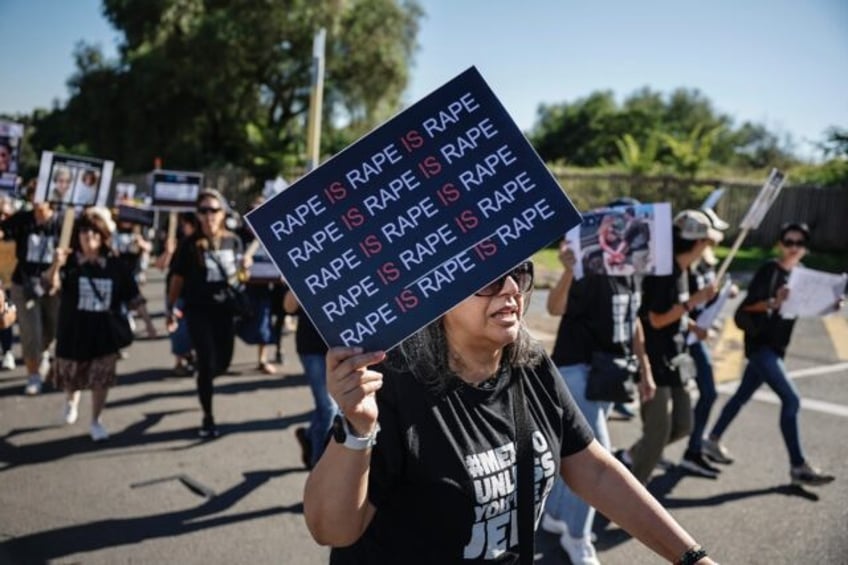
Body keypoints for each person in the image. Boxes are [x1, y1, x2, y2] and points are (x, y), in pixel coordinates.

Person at [303, 261, 717, 564]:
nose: (510, 288)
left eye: (518, 271)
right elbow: (331, 530)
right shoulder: (390, 388)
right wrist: (357, 429)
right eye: (485, 279)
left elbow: (594, 469)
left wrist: (691, 557)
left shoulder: (530, 364)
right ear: (436, 296)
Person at [541, 241, 656, 563]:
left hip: (611, 373)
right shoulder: (584, 266)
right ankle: (577, 539)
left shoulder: (632, 271)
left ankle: (555, 515)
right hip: (576, 368)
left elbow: (633, 320)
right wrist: (566, 270)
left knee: (575, 451)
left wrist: (645, 370)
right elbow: (554, 306)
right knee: (598, 460)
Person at [705, 222, 837, 486]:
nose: (793, 248)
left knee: (742, 395)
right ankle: (798, 466)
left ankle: (712, 440)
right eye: (788, 242)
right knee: (792, 400)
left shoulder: (802, 276)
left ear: (805, 249)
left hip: (777, 347)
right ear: (779, 244)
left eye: (799, 243)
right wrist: (773, 302)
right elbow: (744, 309)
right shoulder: (769, 271)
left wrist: (830, 303)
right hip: (760, 347)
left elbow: (810, 307)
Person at [617, 210, 719, 484]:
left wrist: (691, 324)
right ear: (698, 244)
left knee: (684, 425)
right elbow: (656, 319)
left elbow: (673, 313)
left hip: (676, 357)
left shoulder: (683, 271)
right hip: (654, 361)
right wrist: (693, 303)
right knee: (657, 433)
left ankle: (632, 456)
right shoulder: (664, 273)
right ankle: (634, 498)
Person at [43, 209, 147, 441]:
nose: (87, 235)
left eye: (93, 231)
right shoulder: (68, 261)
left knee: (101, 379)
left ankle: (96, 420)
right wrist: (55, 266)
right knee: (73, 376)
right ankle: (71, 401)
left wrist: (148, 323)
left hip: (104, 334)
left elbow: (133, 295)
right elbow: (49, 288)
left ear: (102, 235)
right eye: (83, 231)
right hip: (73, 331)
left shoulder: (115, 265)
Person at [166, 189, 245, 438]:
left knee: (222, 363)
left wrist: (246, 271)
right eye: (203, 211)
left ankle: (204, 373)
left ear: (223, 213)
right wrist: (171, 309)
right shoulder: (189, 244)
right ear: (198, 215)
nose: (209, 215)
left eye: (213, 210)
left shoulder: (234, 241)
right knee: (206, 361)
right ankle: (208, 417)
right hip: (198, 311)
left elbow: (239, 277)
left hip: (225, 311)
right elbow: (177, 279)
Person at [678, 208, 734, 478]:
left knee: (705, 394)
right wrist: (691, 324)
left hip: (695, 336)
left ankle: (694, 448)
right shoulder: (683, 265)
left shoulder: (704, 263)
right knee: (687, 402)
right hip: (685, 339)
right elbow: (675, 305)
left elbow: (701, 300)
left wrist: (721, 294)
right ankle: (634, 455)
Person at [0, 200, 62, 394]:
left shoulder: (61, 223)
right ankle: (33, 375)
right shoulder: (23, 219)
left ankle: (42, 352)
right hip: (24, 283)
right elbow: (3, 231)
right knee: (30, 331)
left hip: (52, 285)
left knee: (51, 329)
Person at [284, 289, 334, 468]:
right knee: (329, 409)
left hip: (341, 347)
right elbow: (288, 308)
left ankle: (308, 437)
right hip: (312, 348)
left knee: (327, 408)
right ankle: (318, 466)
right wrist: (295, 284)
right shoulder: (306, 267)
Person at [155, 212, 198, 376]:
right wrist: (169, 252)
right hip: (176, 291)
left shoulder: (202, 239)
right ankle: (179, 361)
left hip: (197, 292)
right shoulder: (172, 236)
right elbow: (160, 266)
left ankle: (193, 356)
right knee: (178, 330)